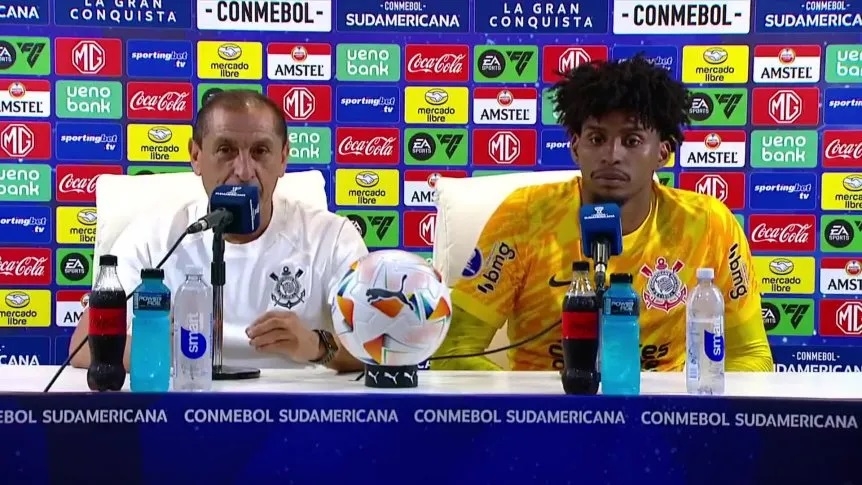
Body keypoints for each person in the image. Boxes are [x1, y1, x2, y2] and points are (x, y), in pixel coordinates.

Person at [432, 55, 773, 372]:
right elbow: (455, 350)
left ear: (663, 153)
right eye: (596, 138)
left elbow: (751, 355)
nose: (612, 155)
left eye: (632, 140)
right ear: (575, 147)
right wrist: (527, 405)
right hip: (545, 408)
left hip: (659, 410)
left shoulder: (708, 224)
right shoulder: (525, 216)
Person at [70, 90, 367, 373]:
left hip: (294, 404)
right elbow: (84, 347)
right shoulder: (151, 238)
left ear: (283, 158)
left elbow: (379, 350)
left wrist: (317, 346)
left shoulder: (332, 238)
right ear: (196, 156)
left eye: (260, 151)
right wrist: (177, 350)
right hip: (187, 398)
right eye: (226, 150)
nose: (244, 171)